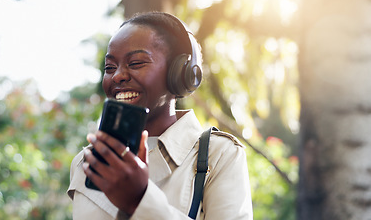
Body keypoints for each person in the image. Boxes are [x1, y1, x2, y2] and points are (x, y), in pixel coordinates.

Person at [67, 12, 253, 219]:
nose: (118, 75)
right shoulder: (85, 162)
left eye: (136, 63)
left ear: (180, 74)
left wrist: (140, 200)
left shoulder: (218, 154)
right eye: (110, 67)